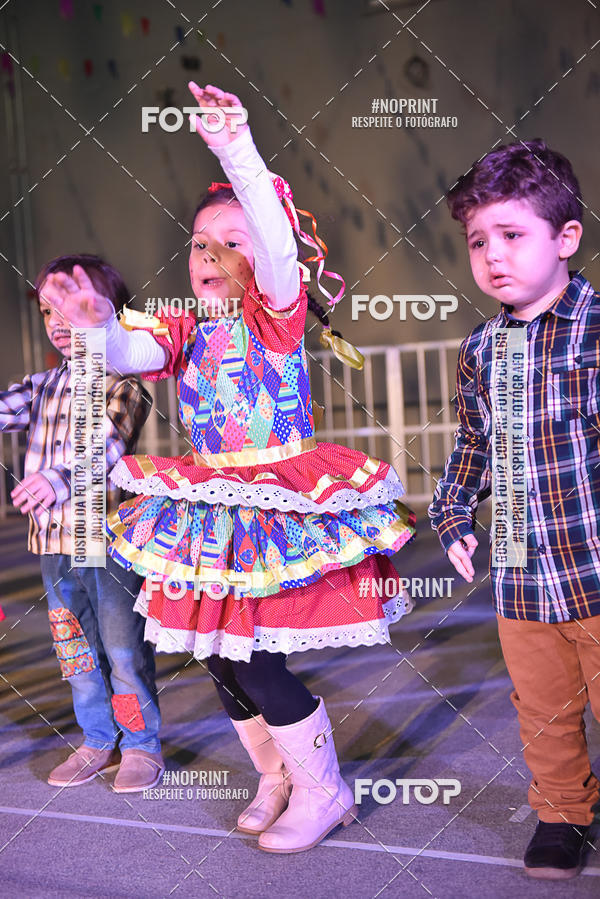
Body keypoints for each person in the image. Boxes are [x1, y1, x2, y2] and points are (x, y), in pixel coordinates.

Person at [43, 83, 416, 853]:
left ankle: (324, 789)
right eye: (199, 242)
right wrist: (97, 324)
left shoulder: (274, 315)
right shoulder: (182, 328)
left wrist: (236, 152)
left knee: (265, 658)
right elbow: (124, 351)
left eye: (231, 241)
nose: (210, 253)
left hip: (274, 502)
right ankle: (275, 772)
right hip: (209, 502)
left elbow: (277, 244)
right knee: (217, 652)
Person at [429, 139, 600, 880]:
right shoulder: (478, 350)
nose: (492, 254)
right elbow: (473, 442)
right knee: (545, 708)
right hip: (522, 574)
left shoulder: (595, 329)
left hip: (595, 565)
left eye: (512, 234)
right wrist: (453, 512)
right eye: (477, 241)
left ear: (566, 238)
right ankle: (563, 811)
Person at [0, 254, 163, 792]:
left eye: (70, 308)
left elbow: (108, 447)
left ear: (107, 313)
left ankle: (140, 746)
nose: (58, 322)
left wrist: (55, 478)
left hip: (107, 540)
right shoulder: (42, 384)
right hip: (53, 543)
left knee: (122, 650)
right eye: (49, 312)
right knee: (74, 650)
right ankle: (96, 739)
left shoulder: (124, 383)